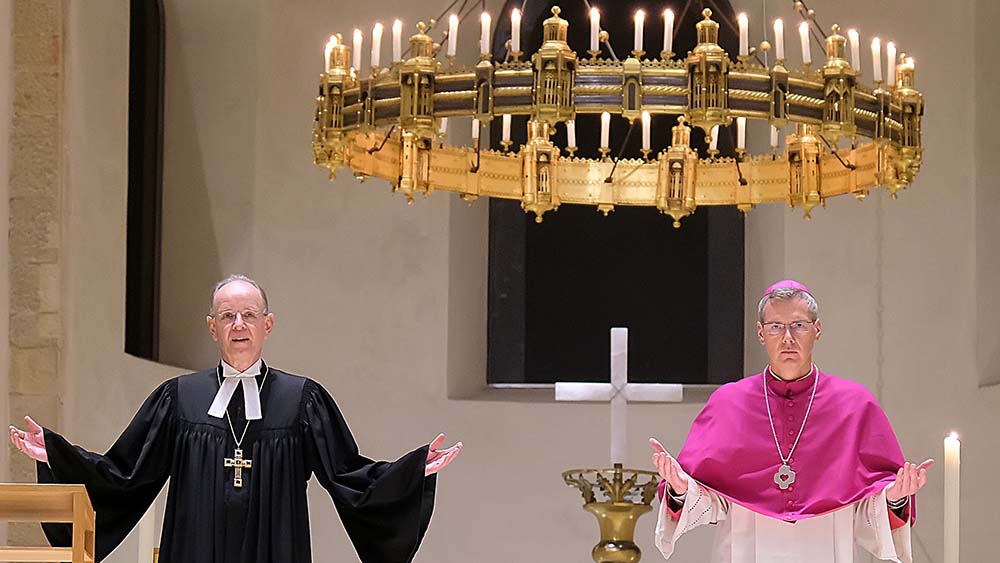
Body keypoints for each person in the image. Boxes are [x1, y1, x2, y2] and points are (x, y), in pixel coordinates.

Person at [9, 274, 462, 563]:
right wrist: (56, 454)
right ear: (212, 327)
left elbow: (348, 474)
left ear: (268, 324)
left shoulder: (302, 399)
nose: (239, 324)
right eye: (228, 316)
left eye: (249, 314)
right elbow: (125, 472)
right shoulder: (179, 398)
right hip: (194, 549)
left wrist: (412, 470)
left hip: (275, 549)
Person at [649, 280, 931, 563]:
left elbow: (864, 512)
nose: (787, 338)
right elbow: (713, 504)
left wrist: (894, 498)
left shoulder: (854, 405)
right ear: (761, 333)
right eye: (775, 326)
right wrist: (681, 489)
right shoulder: (728, 403)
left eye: (799, 325)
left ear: (817, 330)